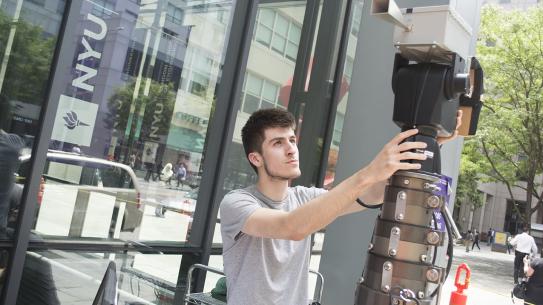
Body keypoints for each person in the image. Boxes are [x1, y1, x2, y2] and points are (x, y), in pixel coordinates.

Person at [219, 108, 462, 305]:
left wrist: (429, 147)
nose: (291, 149)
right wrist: (368, 172)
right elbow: (291, 226)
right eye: (278, 143)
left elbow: (371, 194)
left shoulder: (305, 197)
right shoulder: (237, 203)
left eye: (292, 139)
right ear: (256, 158)